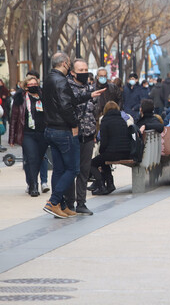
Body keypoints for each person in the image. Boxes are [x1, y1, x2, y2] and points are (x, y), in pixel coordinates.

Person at [41, 53, 81, 218]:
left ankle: (61, 205)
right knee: (73, 169)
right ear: (65, 63)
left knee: (59, 169)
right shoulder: (61, 81)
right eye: (69, 64)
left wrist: (88, 95)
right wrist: (74, 124)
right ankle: (54, 201)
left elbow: (67, 100)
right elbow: (66, 106)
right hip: (62, 130)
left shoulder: (49, 79)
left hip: (50, 129)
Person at [65, 59, 105, 215]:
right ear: (73, 72)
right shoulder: (67, 87)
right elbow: (71, 103)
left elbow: (93, 112)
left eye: (86, 69)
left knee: (84, 170)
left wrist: (94, 132)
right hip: (72, 135)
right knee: (71, 170)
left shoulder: (90, 87)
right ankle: (69, 202)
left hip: (88, 135)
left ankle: (81, 202)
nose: (84, 72)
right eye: (80, 70)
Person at [9, 76, 48, 197]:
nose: (33, 86)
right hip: (27, 133)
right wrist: (11, 138)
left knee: (39, 159)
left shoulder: (43, 97)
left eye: (35, 84)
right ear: (26, 87)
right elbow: (14, 118)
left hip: (42, 133)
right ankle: (34, 185)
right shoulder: (20, 99)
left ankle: (32, 182)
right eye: (30, 84)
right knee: (31, 158)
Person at [91, 101, 132, 195]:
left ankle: (101, 186)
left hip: (113, 153)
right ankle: (109, 184)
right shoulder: (122, 120)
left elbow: (104, 142)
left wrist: (101, 152)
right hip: (126, 152)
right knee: (104, 159)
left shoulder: (105, 121)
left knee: (92, 163)